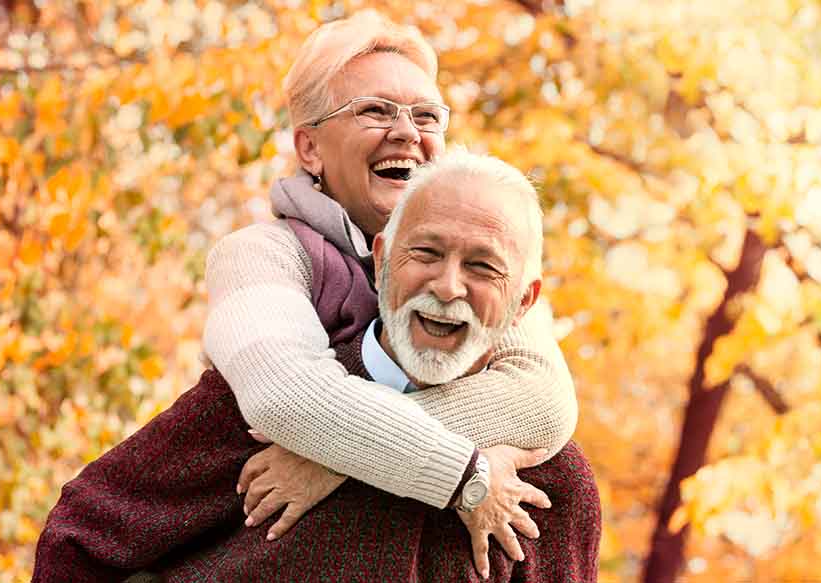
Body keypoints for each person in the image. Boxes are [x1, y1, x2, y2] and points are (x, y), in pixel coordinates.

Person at [33, 150, 600, 582]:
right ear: (379, 262)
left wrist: (346, 464)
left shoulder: (549, 484)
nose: (448, 287)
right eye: (425, 253)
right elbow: (80, 540)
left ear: (525, 301)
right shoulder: (248, 415)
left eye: (483, 267)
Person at [200, 10, 577, 560]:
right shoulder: (260, 255)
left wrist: (331, 462)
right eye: (374, 111)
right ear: (310, 148)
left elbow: (541, 400)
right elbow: (287, 398)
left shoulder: (481, 265)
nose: (407, 132)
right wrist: (466, 472)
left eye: (427, 116)